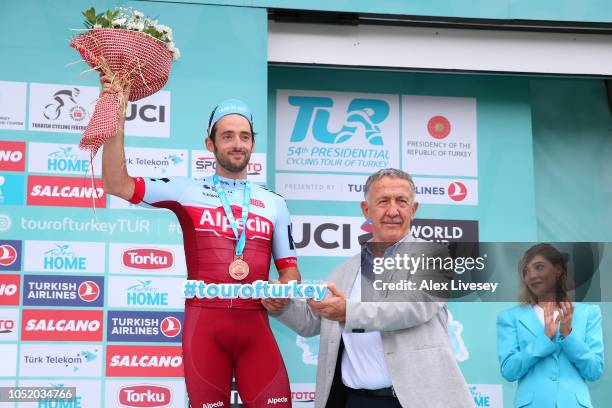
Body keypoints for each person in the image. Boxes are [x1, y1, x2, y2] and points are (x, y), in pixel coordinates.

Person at [100, 76, 300, 408]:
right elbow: (115, 183)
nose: (237, 144)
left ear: (252, 144)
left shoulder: (274, 202)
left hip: (256, 326)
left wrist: (282, 293)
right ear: (210, 144)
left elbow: (291, 272)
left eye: (245, 137)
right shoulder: (186, 190)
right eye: (227, 136)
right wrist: (116, 120)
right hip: (205, 327)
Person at [263, 168, 473, 408]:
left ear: (413, 210)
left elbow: (408, 308)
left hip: (414, 401)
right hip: (354, 401)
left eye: (402, 202)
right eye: (383, 201)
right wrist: (281, 304)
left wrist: (347, 312)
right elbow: (313, 322)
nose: (393, 211)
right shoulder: (345, 270)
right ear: (366, 210)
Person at [496, 243, 604, 408]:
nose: (531, 275)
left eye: (539, 267)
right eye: (526, 271)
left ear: (558, 270)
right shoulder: (510, 317)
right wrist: (545, 339)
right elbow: (509, 371)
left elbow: (594, 370)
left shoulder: (588, 313)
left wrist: (568, 335)